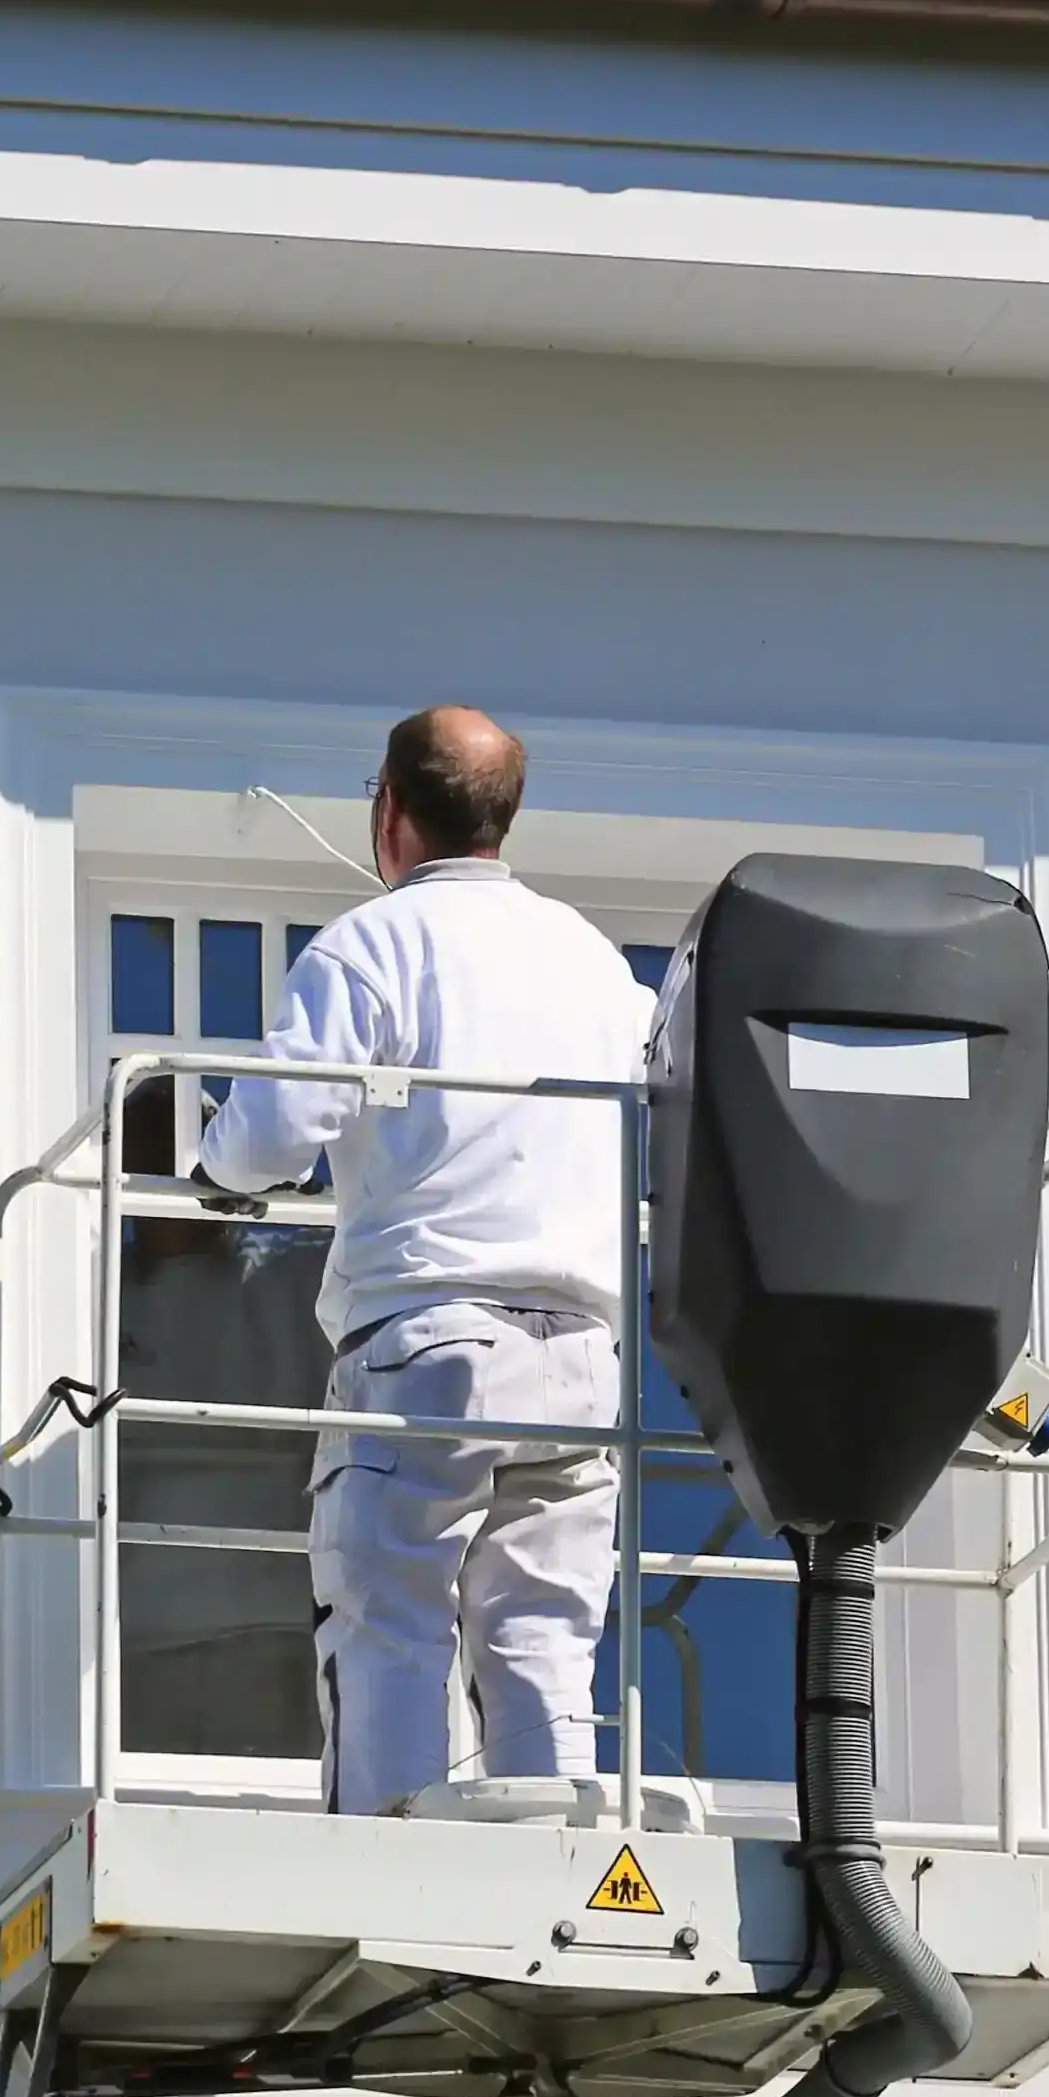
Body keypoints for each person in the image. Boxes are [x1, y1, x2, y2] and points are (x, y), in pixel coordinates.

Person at [184, 706, 664, 1813]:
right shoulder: (593, 961)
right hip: (583, 1361)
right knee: (543, 1633)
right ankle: (562, 1857)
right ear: (505, 818)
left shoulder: (374, 943)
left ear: (387, 808)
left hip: (433, 1342)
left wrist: (216, 1157)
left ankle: (390, 1861)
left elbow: (266, 1137)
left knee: (391, 1615)